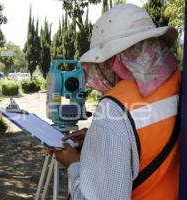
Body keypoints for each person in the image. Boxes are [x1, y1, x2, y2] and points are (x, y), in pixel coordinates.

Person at [54, 4, 181, 200]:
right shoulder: (177, 81)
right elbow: (151, 139)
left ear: (112, 61)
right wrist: (97, 139)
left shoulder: (115, 108)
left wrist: (74, 164)